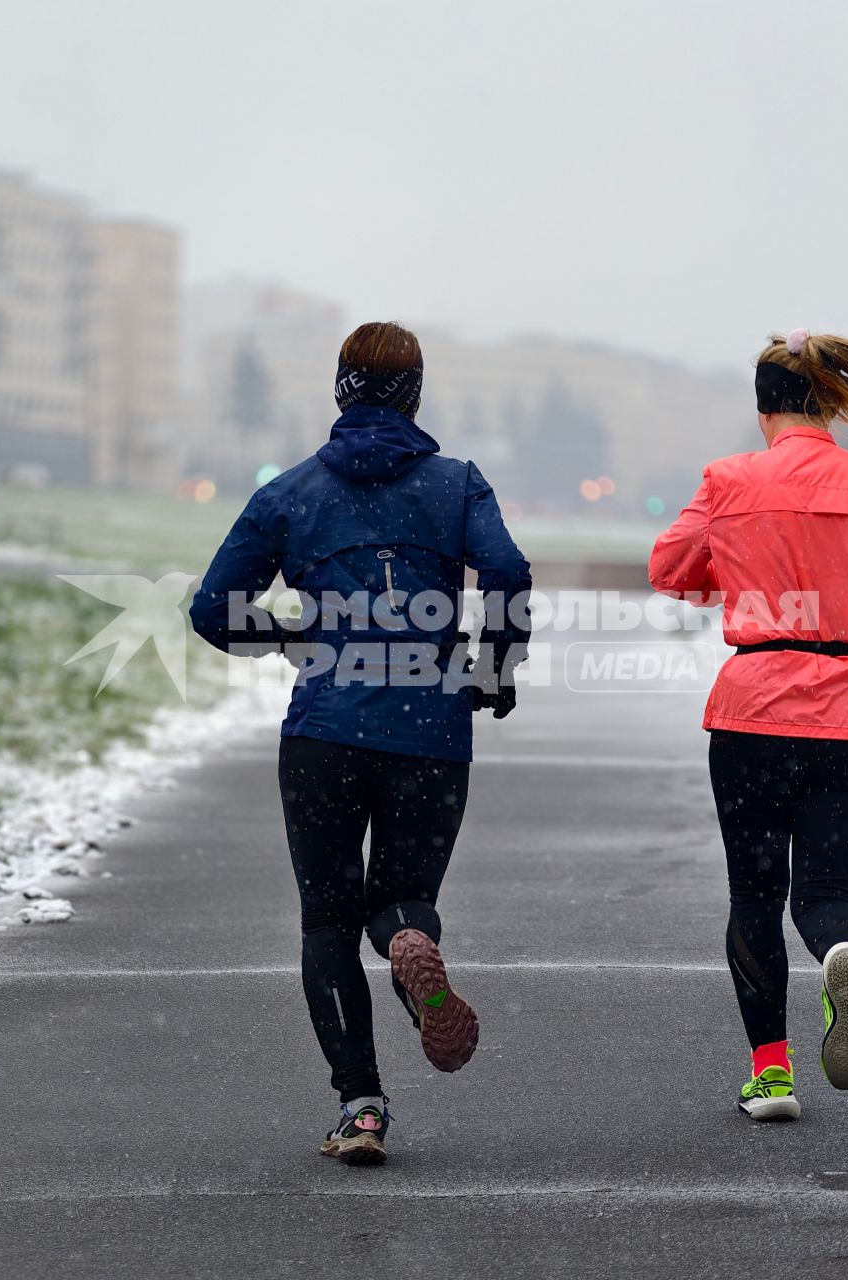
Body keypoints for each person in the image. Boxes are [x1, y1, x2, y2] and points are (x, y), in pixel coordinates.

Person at [190, 321, 532, 1164]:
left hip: (325, 734)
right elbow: (509, 574)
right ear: (416, 394)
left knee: (327, 922)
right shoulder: (456, 485)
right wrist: (493, 663)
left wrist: (287, 640)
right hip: (431, 729)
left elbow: (210, 608)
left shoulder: (291, 493)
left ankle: (362, 1106)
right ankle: (411, 938)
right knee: (401, 897)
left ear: (340, 391)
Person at [648, 328, 848, 1122]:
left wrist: (743, 570)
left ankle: (772, 1073)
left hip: (754, 710)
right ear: (833, 405)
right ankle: (840, 950)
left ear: (763, 410)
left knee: (753, 894)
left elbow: (671, 570)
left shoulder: (729, 480)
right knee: (824, 892)